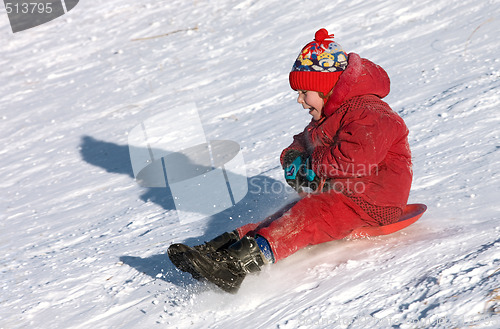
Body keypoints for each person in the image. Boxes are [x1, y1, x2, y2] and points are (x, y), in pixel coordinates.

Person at [168, 28, 413, 293]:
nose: (299, 100)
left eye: (304, 91)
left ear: (327, 88)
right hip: (342, 195)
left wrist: (313, 165)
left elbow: (354, 159)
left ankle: (236, 267)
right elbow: (305, 143)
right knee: (285, 215)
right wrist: (293, 158)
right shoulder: (330, 116)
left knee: (305, 216)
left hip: (372, 201)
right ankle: (221, 249)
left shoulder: (370, 114)